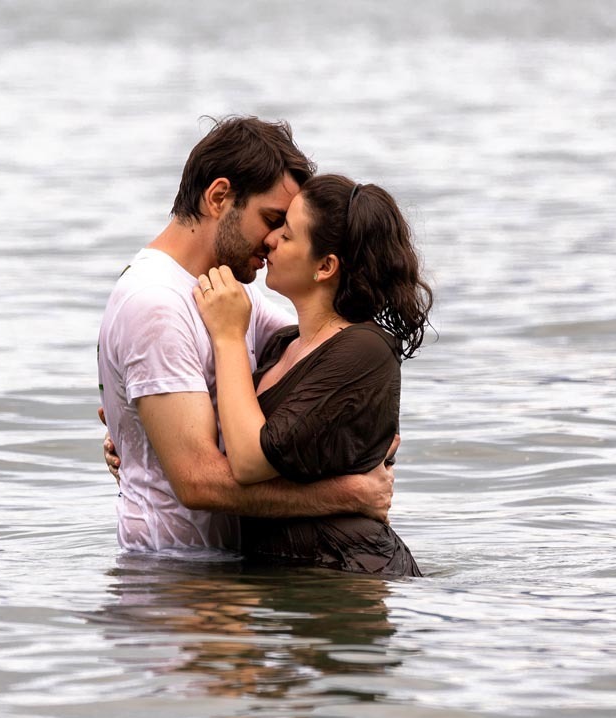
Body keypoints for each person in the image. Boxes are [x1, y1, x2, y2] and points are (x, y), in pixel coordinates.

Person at [97, 117, 397, 554]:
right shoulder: (155, 303)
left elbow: (325, 362)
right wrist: (346, 494)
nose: (275, 239)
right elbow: (198, 482)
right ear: (219, 196)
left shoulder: (227, 296)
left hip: (229, 577)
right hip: (174, 580)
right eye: (272, 219)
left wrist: (366, 426)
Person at [193, 174, 432, 577]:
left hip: (351, 576)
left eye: (286, 235)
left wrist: (229, 336)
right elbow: (230, 429)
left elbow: (250, 462)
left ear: (325, 266)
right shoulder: (284, 343)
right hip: (295, 581)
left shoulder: (365, 349)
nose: (270, 240)